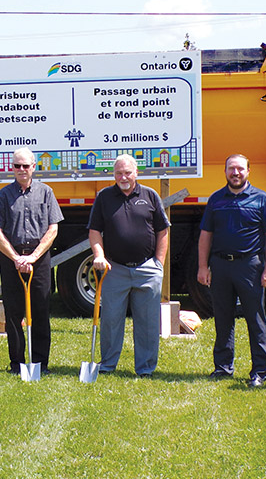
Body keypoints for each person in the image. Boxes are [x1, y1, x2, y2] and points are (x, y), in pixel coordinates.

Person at [197, 154, 266, 388]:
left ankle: (260, 371)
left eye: (240, 169)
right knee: (222, 319)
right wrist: (203, 267)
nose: (236, 173)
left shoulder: (261, 199)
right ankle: (223, 367)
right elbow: (205, 235)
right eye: (231, 169)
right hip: (221, 266)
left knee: (255, 319)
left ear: (248, 172)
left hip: (250, 267)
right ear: (225, 172)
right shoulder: (215, 200)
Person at [88, 154, 170, 376]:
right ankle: (107, 366)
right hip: (115, 269)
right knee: (111, 321)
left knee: (147, 323)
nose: (123, 177)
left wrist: (158, 264)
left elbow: (163, 231)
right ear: (114, 175)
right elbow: (94, 231)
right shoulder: (104, 197)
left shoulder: (150, 196)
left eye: (127, 172)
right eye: (118, 173)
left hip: (147, 269)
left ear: (136, 173)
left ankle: (145, 368)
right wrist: (99, 255)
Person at [0, 148, 63, 375]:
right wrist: (16, 257)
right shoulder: (3, 195)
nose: (21, 170)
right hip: (12, 259)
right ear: (12, 168)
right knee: (13, 312)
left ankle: (41, 364)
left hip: (38, 260)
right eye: (16, 166)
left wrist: (33, 257)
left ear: (34, 167)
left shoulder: (46, 193)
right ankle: (17, 364)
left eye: (25, 166)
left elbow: (53, 229)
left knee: (40, 310)